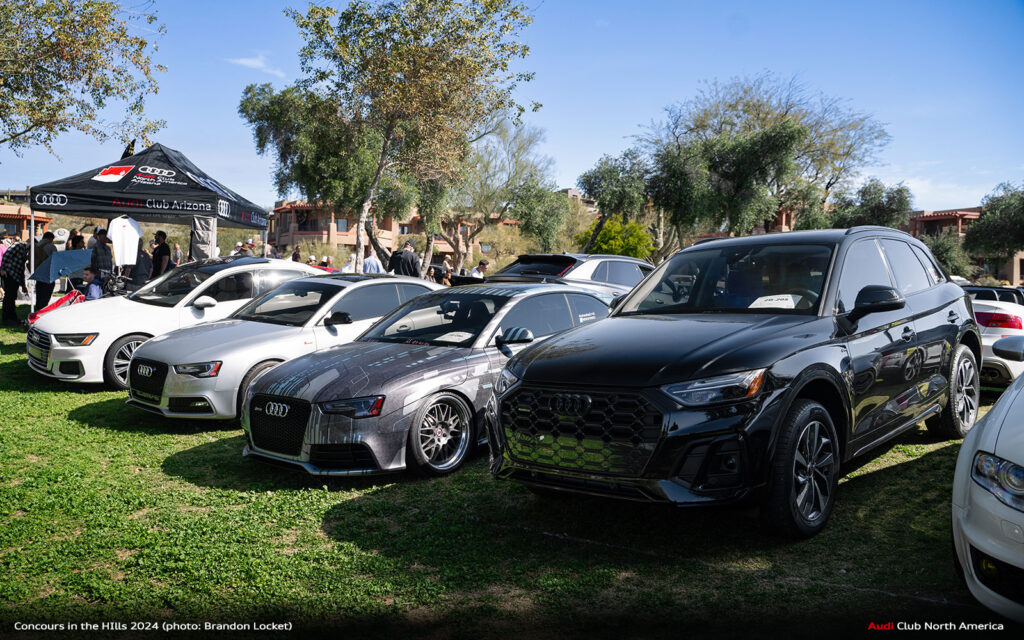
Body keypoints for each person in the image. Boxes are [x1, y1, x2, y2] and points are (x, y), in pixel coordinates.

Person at [1, 238, 28, 325]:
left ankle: (11, 317)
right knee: (9, 297)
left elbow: (22, 269)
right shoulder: (19, 245)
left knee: (11, 297)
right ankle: (8, 318)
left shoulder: (25, 251)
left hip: (15, 275)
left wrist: (23, 285)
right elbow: (6, 255)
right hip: (9, 273)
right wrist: (2, 269)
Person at [34, 231, 59, 310]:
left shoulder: (35, 246)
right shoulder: (51, 246)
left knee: (39, 293)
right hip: (48, 273)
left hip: (38, 272)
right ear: (51, 238)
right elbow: (56, 260)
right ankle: (42, 310)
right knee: (46, 295)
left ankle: (37, 309)